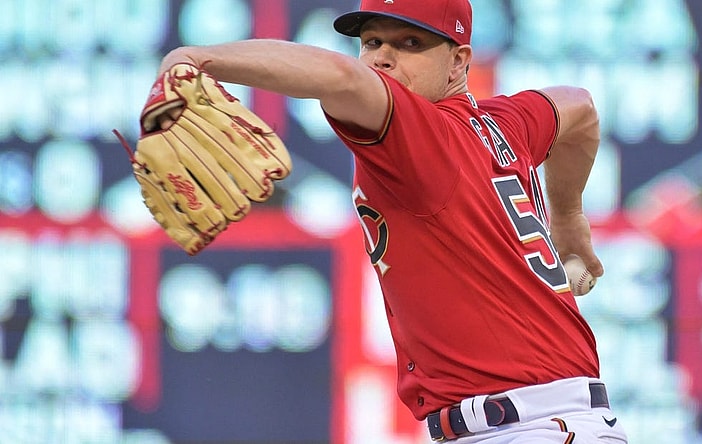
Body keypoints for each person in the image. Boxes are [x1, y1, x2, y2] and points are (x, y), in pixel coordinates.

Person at [155, 0, 628, 442]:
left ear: (459, 63)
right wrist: (568, 214)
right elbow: (580, 107)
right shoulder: (503, 124)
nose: (381, 58)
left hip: (528, 427)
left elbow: (339, 76)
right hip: (545, 422)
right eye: (372, 42)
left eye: (409, 43)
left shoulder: (421, 132)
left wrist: (195, 57)